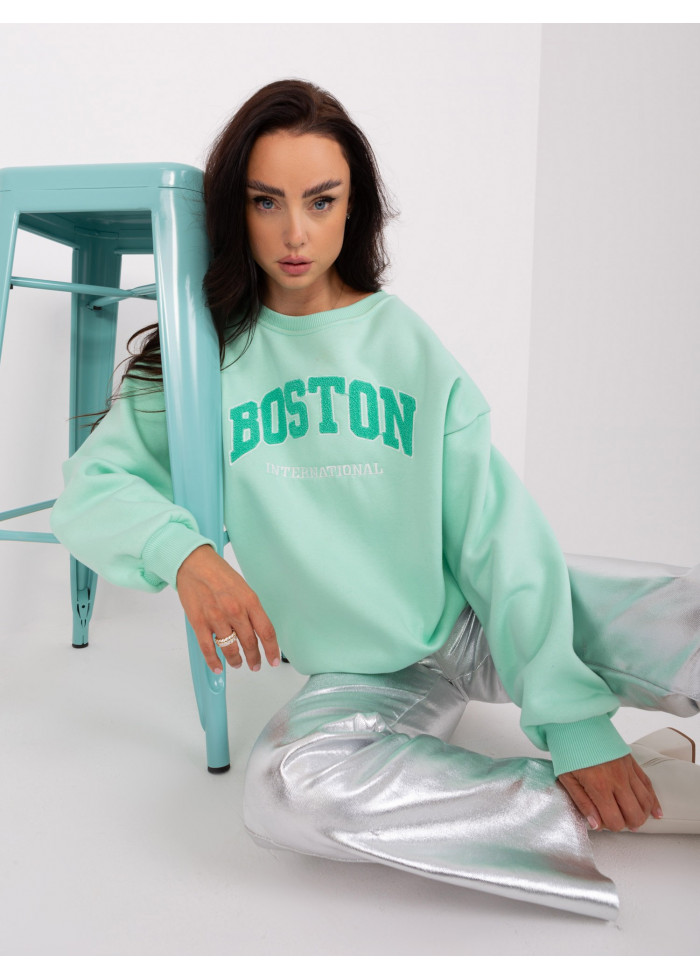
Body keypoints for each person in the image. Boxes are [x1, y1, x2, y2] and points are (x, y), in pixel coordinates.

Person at [50, 79, 700, 920]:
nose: (295, 233)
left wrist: (574, 719)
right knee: (287, 788)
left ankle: (605, 773)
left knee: (682, 605)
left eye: (320, 201)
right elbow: (88, 489)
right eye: (266, 201)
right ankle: (651, 794)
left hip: (468, 616)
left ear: (352, 208)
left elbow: (497, 536)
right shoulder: (203, 361)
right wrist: (186, 554)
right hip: (361, 673)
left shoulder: (403, 342)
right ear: (233, 210)